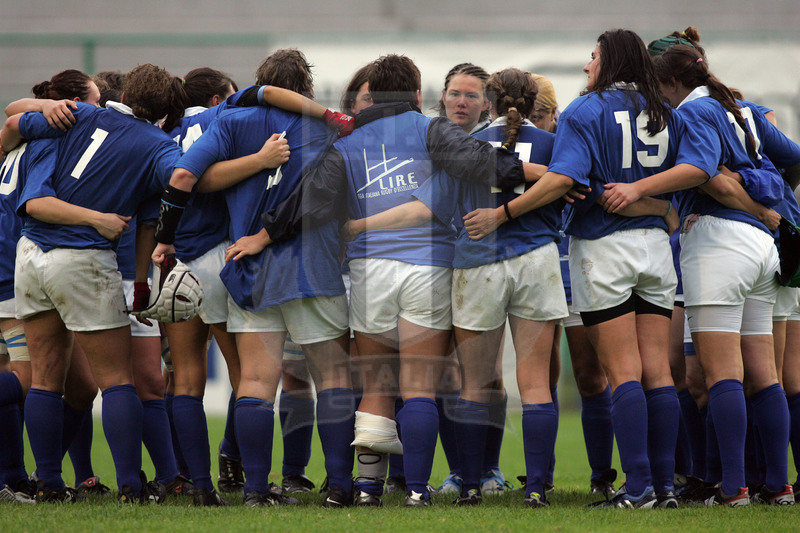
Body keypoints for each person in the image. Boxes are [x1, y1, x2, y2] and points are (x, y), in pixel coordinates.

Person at [462, 29, 699, 508]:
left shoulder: (583, 110)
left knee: (624, 371)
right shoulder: (667, 113)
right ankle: (666, 485)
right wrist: (656, 206)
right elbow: (694, 171)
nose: (587, 65)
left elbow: (566, 180)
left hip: (603, 248)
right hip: (655, 249)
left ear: (609, 60)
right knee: (658, 370)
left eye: (593, 56)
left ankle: (636, 488)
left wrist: (505, 213)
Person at [149, 48, 356, 508]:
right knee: (333, 378)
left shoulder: (229, 123)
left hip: (248, 269)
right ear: (303, 87)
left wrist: (166, 236)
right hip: (311, 269)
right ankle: (340, 487)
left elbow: (187, 175)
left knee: (257, 383)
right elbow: (326, 194)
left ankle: (257, 490)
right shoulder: (323, 128)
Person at [601, 42, 793, 506]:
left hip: (720, 244)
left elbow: (700, 169)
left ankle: (732, 489)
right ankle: (778, 485)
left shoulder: (694, 111)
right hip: (762, 247)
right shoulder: (741, 109)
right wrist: (767, 206)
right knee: (765, 373)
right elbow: (791, 158)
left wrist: (637, 187)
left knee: (721, 371)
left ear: (670, 83)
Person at [2, 63, 187, 504]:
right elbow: (175, 189)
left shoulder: (77, 114)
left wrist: (44, 105)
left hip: (30, 255)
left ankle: (47, 483)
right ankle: (130, 486)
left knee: (46, 378)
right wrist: (142, 282)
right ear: (165, 113)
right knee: (116, 379)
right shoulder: (159, 144)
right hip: (84, 259)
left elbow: (13, 120)